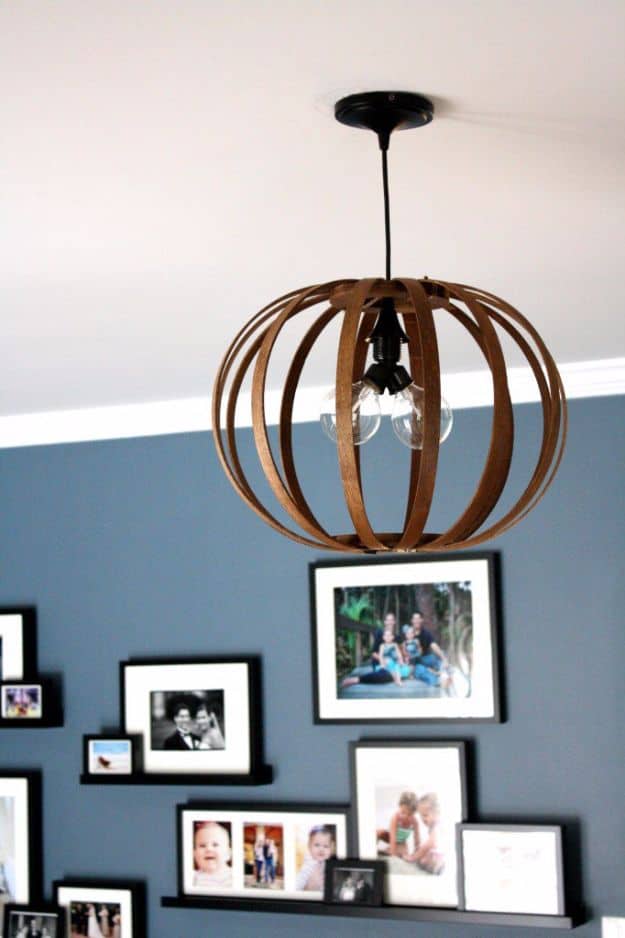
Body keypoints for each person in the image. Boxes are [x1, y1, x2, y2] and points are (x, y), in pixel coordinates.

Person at [404, 612, 450, 689]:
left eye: (418, 618)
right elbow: (402, 649)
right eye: (415, 619)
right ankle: (436, 681)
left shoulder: (425, 633)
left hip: (424, 658)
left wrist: (444, 658)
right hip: (414, 662)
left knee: (435, 658)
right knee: (420, 670)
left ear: (421, 620)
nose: (416, 621)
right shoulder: (407, 632)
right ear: (412, 620)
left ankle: (445, 672)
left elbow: (433, 645)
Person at [377, 790, 420, 860]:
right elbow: (393, 838)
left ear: (414, 813)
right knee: (379, 832)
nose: (405, 816)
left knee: (403, 854)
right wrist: (393, 855)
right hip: (390, 837)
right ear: (399, 806)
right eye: (403, 812)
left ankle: (388, 850)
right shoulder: (396, 818)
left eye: (409, 814)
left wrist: (417, 854)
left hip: (401, 842)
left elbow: (417, 841)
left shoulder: (414, 822)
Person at [295, 824, 336, 891]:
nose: (321, 849)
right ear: (309, 846)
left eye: (326, 846)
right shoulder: (309, 864)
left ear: (331, 849)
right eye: (317, 845)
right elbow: (299, 882)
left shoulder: (330, 864)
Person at [193, 820, 233, 887]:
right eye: (202, 845)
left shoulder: (233, 876)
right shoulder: (193, 877)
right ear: (194, 854)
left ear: (228, 853)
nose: (209, 849)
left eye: (215, 845)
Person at [413, 792, 444, 874]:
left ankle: (434, 867)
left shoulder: (437, 826)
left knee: (422, 857)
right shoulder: (433, 827)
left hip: (439, 858)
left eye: (425, 815)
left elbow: (431, 843)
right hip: (437, 854)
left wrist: (415, 856)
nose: (422, 819)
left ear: (437, 813)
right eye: (421, 816)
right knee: (422, 855)